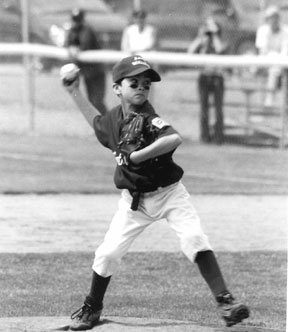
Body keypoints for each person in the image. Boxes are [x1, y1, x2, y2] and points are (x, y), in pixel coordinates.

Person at [61, 55, 249, 330]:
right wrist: (74, 91)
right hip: (134, 202)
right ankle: (93, 307)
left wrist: (138, 156)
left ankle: (226, 302)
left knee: (194, 238)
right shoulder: (114, 120)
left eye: (146, 84)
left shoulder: (149, 118)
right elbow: (96, 122)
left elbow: (174, 138)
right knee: (107, 254)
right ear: (117, 88)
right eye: (133, 82)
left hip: (170, 195)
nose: (141, 88)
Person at [188, 17, 228, 144]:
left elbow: (220, 49)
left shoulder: (222, 40)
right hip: (204, 76)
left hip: (217, 77)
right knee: (204, 109)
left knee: (218, 109)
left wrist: (215, 35)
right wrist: (201, 37)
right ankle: (204, 137)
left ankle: (218, 137)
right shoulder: (202, 41)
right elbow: (190, 51)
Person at [65, 8, 107, 114]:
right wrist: (71, 48)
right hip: (88, 73)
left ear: (82, 20)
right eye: (74, 19)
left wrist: (74, 48)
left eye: (78, 20)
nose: (76, 22)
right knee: (92, 101)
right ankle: (103, 127)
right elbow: (66, 43)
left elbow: (85, 45)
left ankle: (110, 125)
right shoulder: (72, 30)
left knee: (97, 101)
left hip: (96, 72)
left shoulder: (87, 30)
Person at [255, 5, 288, 110]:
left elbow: (285, 52)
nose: (273, 20)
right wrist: (275, 57)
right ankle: (270, 100)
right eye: (271, 17)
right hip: (266, 64)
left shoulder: (285, 31)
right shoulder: (263, 30)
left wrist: (276, 58)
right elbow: (263, 51)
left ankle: (270, 100)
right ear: (267, 19)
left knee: (275, 70)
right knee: (274, 69)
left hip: (281, 64)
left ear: (279, 18)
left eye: (275, 17)